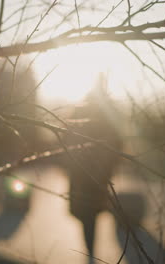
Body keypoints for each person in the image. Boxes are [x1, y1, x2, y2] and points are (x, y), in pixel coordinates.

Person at [65, 75, 123, 260]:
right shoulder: (101, 112)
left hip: (90, 177)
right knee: (89, 217)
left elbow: (116, 145)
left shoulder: (87, 110)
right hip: (89, 177)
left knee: (88, 217)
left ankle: (89, 254)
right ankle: (90, 253)